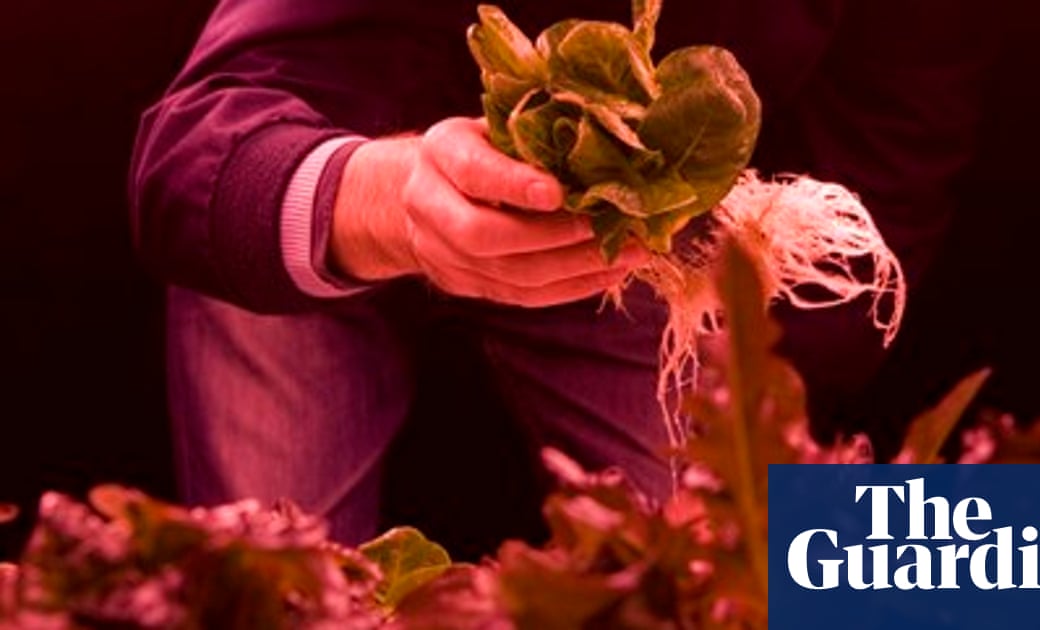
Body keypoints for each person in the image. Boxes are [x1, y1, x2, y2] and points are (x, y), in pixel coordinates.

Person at [129, 0, 989, 544]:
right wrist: (386, 207)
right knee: (273, 580)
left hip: (643, 264)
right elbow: (184, 155)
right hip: (341, 205)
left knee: (698, 577)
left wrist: (757, 402)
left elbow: (895, 155)